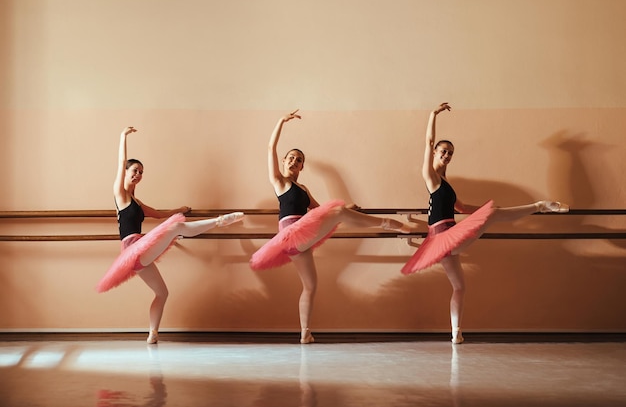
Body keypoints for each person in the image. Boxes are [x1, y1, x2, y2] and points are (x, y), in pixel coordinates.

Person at [401, 103, 569, 344]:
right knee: (491, 216)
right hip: (443, 236)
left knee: (459, 287)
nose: (447, 155)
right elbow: (427, 142)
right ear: (436, 152)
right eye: (443, 151)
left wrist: (488, 210)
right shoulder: (431, 177)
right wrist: (432, 115)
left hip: (445, 238)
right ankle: (540, 206)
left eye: (450, 153)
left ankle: (455, 333)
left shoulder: (446, 184)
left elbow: (462, 208)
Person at [250, 110, 413, 344]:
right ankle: (390, 224)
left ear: (301, 167)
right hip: (291, 235)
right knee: (337, 213)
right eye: (291, 158)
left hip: (301, 239)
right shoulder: (279, 182)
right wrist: (281, 122)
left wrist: (347, 208)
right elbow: (269, 149)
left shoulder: (303, 188)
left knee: (311, 285)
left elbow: (317, 211)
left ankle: (305, 333)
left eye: (298, 160)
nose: (294, 161)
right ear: (284, 162)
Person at [97, 126, 244, 344]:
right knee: (175, 228)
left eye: (141, 172)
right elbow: (120, 163)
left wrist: (180, 210)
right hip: (133, 249)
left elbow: (158, 215)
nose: (138, 174)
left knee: (162, 293)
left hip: (139, 254)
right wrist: (122, 137)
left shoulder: (136, 202)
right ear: (126, 173)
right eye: (134, 170)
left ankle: (152, 334)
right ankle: (220, 221)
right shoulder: (121, 195)